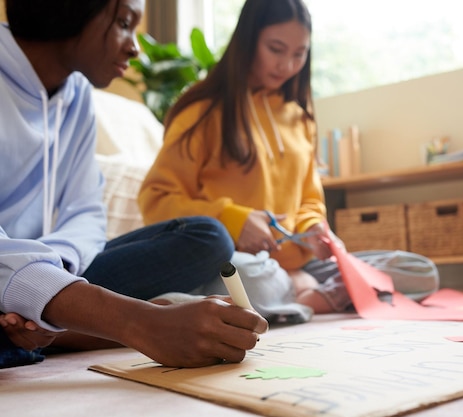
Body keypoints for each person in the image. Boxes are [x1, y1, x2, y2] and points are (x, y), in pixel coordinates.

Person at [0, 0, 268, 370]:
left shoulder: (77, 96)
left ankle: (49, 323)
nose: (135, 46)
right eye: (124, 23)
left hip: (55, 272)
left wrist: (49, 278)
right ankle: (64, 325)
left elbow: (86, 213)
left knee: (207, 236)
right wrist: (141, 321)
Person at [138, 0, 357, 319]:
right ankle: (304, 293)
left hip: (299, 263)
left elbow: (310, 200)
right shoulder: (201, 112)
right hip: (238, 264)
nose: (287, 66)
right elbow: (155, 202)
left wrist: (313, 228)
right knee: (252, 279)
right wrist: (234, 220)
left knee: (411, 268)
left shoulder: (299, 120)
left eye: (299, 54)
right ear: (248, 40)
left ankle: (296, 295)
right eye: (276, 49)